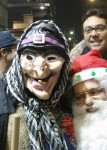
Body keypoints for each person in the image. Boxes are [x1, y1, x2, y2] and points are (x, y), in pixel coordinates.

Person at [0, 20, 74, 150]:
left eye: (51, 58)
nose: (40, 69)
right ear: (18, 62)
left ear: (64, 65)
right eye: (30, 57)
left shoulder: (72, 102)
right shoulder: (4, 104)